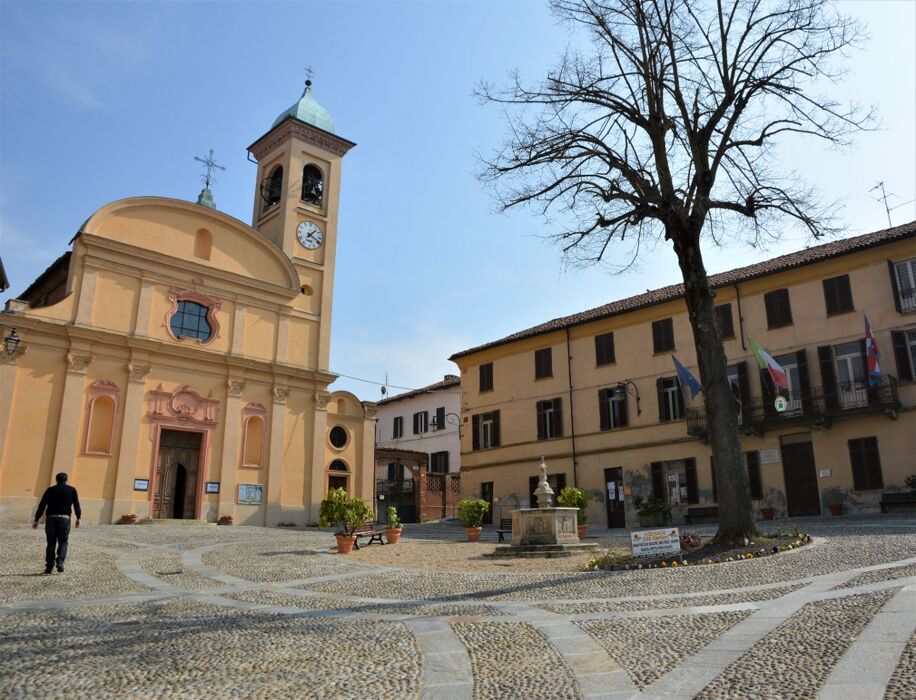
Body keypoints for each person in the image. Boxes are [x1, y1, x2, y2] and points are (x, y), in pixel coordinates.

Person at [32, 472, 81, 574]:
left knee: (51, 543)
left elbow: (42, 505)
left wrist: (36, 519)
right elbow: (76, 504)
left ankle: (49, 567)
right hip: (64, 519)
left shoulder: (50, 490)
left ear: (56, 479)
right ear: (66, 480)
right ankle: (60, 562)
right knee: (63, 541)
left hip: (51, 518)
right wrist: (78, 517)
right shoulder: (72, 490)